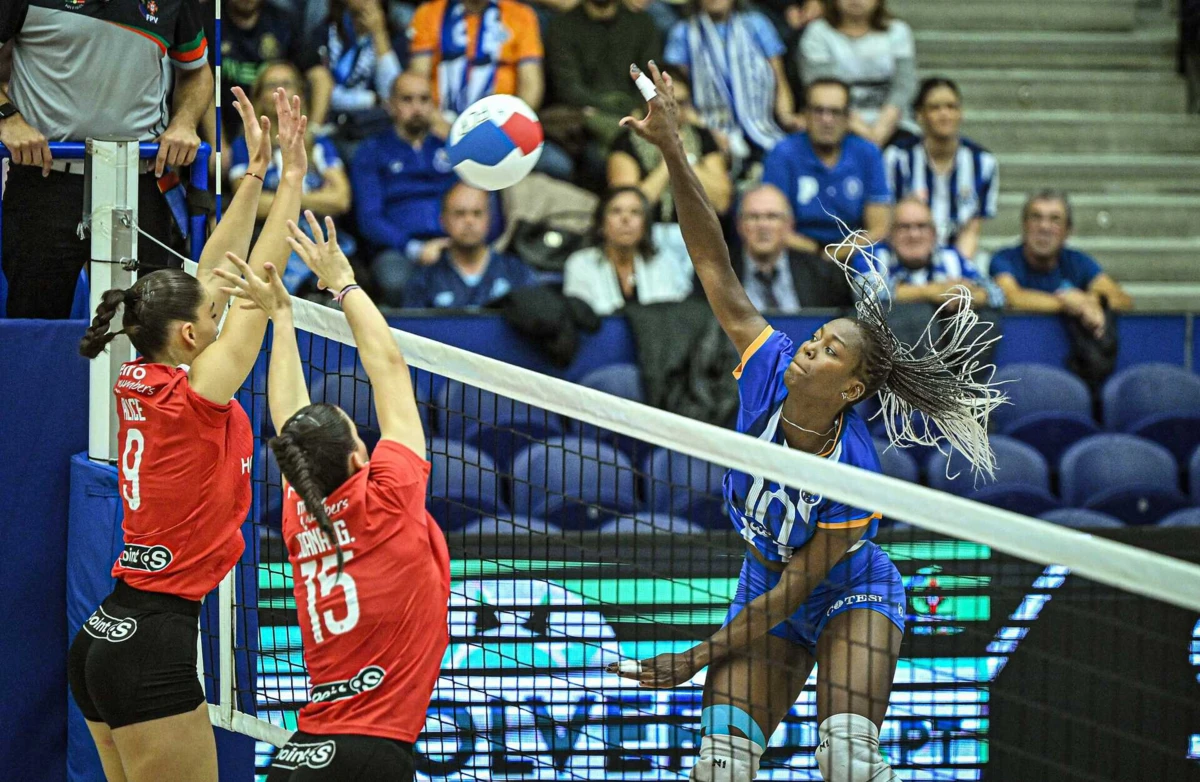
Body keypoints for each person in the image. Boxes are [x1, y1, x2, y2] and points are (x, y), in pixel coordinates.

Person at [610, 62, 1003, 782]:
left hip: (852, 593)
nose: (809, 347)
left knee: (847, 765)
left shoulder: (854, 477)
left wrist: (693, 658)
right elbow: (713, 265)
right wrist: (673, 151)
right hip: (762, 585)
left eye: (827, 350)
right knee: (718, 769)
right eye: (817, 336)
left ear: (852, 387)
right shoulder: (768, 367)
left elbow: (799, 590)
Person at [66, 88, 309, 782]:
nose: (221, 301)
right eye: (214, 311)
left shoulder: (142, 375)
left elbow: (215, 272)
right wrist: (292, 180)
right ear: (193, 335)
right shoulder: (200, 394)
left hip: (107, 635)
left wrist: (254, 176)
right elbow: (258, 276)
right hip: (151, 647)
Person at [229, 210, 447, 781]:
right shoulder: (391, 496)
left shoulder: (304, 509)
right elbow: (390, 370)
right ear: (359, 459)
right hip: (372, 756)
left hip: (302, 754)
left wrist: (283, 317)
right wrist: (343, 283)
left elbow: (288, 423)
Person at [0, 0, 213, 318]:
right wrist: (7, 118)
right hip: (45, 180)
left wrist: (184, 121)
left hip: (137, 180)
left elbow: (197, 72)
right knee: (36, 323)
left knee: (146, 325)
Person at [230, 62, 353, 293]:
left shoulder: (318, 144)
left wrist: (285, 199)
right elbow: (247, 204)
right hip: (268, 237)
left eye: (287, 84)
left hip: (319, 237)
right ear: (258, 96)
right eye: (272, 85)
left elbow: (340, 199)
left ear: (300, 92)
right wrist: (311, 198)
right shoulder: (245, 145)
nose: (280, 91)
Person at [350, 72, 459, 304]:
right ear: (390, 105)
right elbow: (369, 218)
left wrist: (457, 241)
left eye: (424, 99)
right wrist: (414, 248)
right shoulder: (372, 151)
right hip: (397, 249)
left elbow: (473, 201)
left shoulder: (451, 150)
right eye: (407, 100)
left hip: (453, 243)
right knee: (395, 280)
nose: (417, 108)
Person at [762, 79, 892, 262]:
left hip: (853, 253)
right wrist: (818, 256)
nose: (826, 120)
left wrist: (835, 255)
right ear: (805, 115)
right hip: (796, 253)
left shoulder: (867, 153)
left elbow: (879, 228)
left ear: (848, 118)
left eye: (835, 112)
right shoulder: (783, 153)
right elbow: (771, 223)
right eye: (818, 111)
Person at [663, 0, 800, 166]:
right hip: (712, 131)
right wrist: (705, 130)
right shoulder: (683, 33)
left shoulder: (757, 24)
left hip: (763, 127)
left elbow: (780, 79)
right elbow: (680, 94)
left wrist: (786, 117)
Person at [989, 190, 1132, 339]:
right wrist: (1071, 304)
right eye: (1036, 217)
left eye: (1055, 219)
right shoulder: (1004, 259)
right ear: (1024, 225)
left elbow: (1122, 299)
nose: (1044, 227)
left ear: (1068, 230)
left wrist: (1090, 300)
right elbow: (1011, 297)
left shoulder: (1078, 261)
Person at [884, 78, 998, 261]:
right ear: (919, 115)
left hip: (959, 256)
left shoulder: (983, 162)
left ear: (961, 113)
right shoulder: (898, 158)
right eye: (935, 108)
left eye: (951, 107)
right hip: (904, 254)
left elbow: (971, 230)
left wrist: (954, 270)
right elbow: (888, 222)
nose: (944, 114)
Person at [608, 78, 732, 222]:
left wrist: (683, 160)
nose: (674, 109)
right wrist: (668, 162)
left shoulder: (702, 137)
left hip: (697, 230)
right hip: (647, 232)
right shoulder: (627, 141)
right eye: (665, 103)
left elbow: (721, 203)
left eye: (680, 102)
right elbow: (628, 210)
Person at [798, 0, 916, 146]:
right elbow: (819, 87)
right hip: (835, 120)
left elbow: (904, 85)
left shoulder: (898, 31)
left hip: (892, 122)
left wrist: (880, 130)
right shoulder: (818, 32)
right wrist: (865, 132)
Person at [562, 186, 694, 315]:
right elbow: (581, 318)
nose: (625, 219)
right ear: (601, 223)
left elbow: (676, 318)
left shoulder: (665, 263)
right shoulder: (580, 264)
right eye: (616, 211)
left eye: (635, 212)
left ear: (645, 224)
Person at [403, 183, 536, 308]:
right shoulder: (425, 280)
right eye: (460, 214)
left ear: (490, 218)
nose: (469, 221)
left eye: (477, 213)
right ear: (443, 220)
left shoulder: (517, 273)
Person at [407, 0, 544, 120]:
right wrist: (437, 122)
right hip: (437, 123)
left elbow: (531, 84)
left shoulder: (521, 15)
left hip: (502, 125)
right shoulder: (428, 13)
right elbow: (418, 78)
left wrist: (512, 124)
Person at [221, 0, 333, 140]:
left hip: (284, 128)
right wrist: (217, 143)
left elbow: (320, 77)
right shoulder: (209, 20)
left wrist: (313, 131)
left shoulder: (283, 21)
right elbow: (204, 82)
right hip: (227, 126)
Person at [734, 184, 853, 312]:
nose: (763, 225)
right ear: (739, 225)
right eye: (753, 217)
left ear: (789, 224)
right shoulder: (719, 275)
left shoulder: (823, 275)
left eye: (772, 216)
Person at [309, 0, 404, 135]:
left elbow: (392, 94)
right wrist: (372, 99)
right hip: (330, 122)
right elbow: (323, 93)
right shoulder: (324, 33)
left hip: (376, 125)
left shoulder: (395, 37)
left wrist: (379, 33)